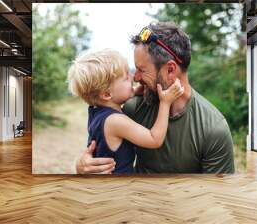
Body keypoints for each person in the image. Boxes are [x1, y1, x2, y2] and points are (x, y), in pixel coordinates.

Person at [74, 22, 235, 174]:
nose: (136, 77)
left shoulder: (213, 130)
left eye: (141, 70)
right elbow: (103, 143)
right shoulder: (133, 108)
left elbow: (218, 196)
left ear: (170, 69)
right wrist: (82, 165)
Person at [68, 49, 184, 174]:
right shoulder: (115, 121)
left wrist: (132, 91)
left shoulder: (96, 112)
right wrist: (165, 102)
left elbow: (115, 97)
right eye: (125, 77)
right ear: (106, 94)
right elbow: (154, 139)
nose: (133, 77)